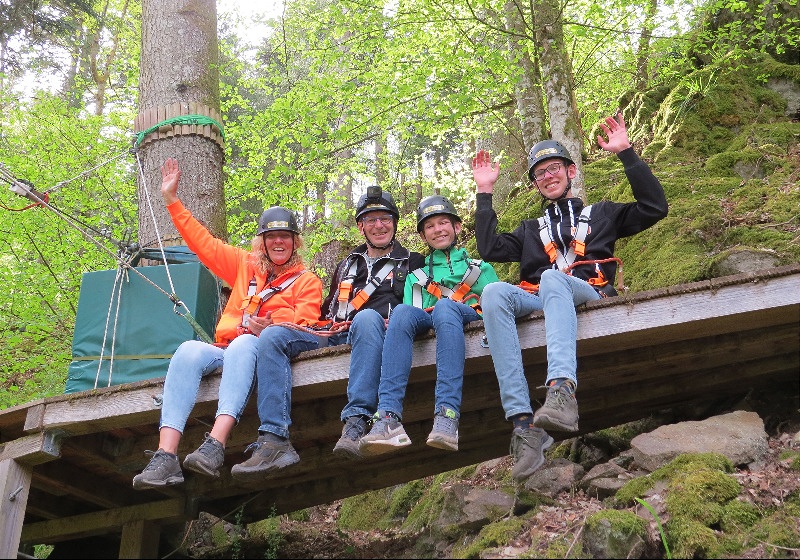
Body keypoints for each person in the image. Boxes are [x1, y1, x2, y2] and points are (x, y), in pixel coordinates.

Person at [471, 113, 668, 482]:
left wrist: (626, 152)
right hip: (543, 298)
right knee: (495, 291)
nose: (548, 176)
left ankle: (562, 390)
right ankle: (524, 424)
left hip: (588, 291)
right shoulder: (531, 230)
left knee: (552, 277)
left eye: (554, 168)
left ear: (571, 171)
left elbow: (655, 209)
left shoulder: (604, 214)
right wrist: (485, 192)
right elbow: (489, 247)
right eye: (540, 173)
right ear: (535, 186)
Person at [132, 158, 322, 490]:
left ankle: (215, 444)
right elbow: (202, 243)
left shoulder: (307, 280)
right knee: (188, 350)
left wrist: (272, 323)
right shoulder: (244, 265)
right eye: (271, 236)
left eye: (286, 237)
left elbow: (307, 322)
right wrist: (171, 200)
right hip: (226, 348)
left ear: (295, 242)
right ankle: (166, 456)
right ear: (261, 241)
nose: (279, 243)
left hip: (263, 350)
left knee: (247, 342)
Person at [229, 186, 424, 481]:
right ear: (361, 226)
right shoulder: (347, 263)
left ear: (394, 223)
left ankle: (356, 422)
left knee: (368, 317)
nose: (379, 226)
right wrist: (281, 324)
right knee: (273, 337)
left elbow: (417, 311)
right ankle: (274, 439)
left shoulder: (412, 263)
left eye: (385, 219)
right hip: (333, 331)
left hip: (375, 332)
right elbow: (323, 313)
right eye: (371, 220)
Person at [359, 195, 498, 456]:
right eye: (430, 226)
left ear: (456, 227)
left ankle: (447, 415)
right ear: (423, 236)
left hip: (468, 318)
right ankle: (388, 416)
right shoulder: (417, 277)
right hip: (434, 322)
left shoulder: (481, 269)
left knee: (445, 307)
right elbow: (415, 313)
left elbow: (495, 308)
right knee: (401, 311)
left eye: (444, 223)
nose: (438, 230)